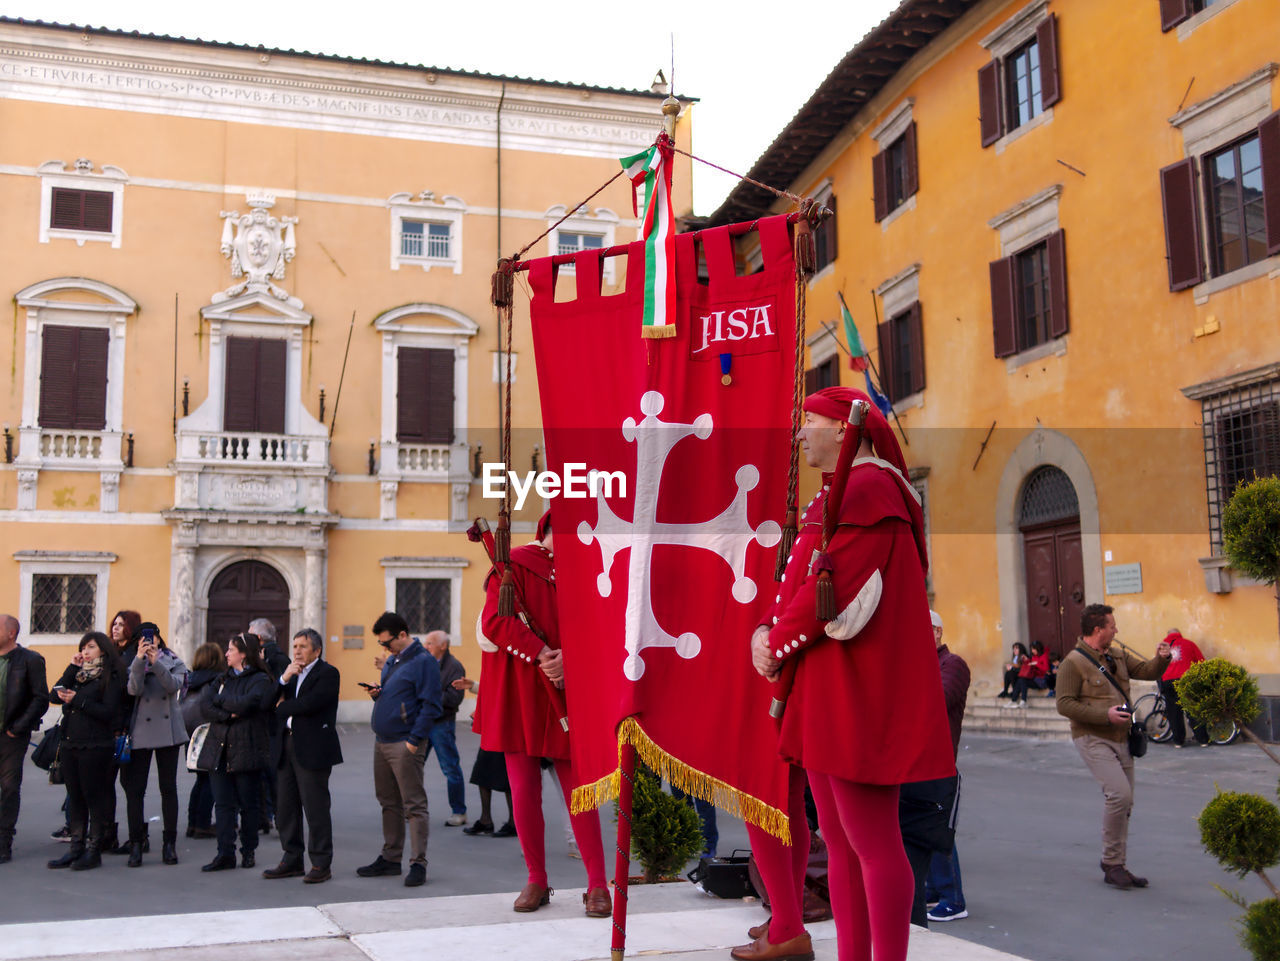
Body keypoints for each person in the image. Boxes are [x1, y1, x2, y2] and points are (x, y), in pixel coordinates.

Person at [744, 387, 955, 961]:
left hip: (857, 691)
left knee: (872, 843)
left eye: (808, 422)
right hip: (829, 686)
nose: (799, 434)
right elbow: (800, 582)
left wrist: (776, 644)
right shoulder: (834, 495)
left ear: (844, 429)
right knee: (839, 842)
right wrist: (765, 630)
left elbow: (833, 590)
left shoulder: (870, 487)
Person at [476, 511, 611, 917]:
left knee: (580, 793)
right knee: (522, 791)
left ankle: (597, 885)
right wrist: (540, 653)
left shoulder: (590, 571)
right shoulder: (512, 564)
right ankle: (536, 878)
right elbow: (495, 621)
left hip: (568, 692)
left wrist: (571, 658)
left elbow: (603, 625)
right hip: (519, 690)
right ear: (548, 533)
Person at [1056, 604, 1171, 889]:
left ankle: (1117, 863)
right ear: (1098, 630)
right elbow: (1064, 704)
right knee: (1119, 795)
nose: (1116, 630)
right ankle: (1111, 862)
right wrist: (1103, 715)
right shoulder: (1073, 662)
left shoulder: (1116, 654)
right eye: (1112, 626)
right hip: (1092, 737)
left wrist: (1161, 659)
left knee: (1126, 800)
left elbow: (1145, 670)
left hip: (1122, 738)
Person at [356, 611, 441, 888]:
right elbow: (402, 694)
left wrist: (414, 741)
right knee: (388, 802)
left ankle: (418, 864)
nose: (384, 648)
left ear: (403, 635)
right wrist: (380, 694)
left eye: (387, 642)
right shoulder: (393, 660)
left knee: (414, 805)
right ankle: (391, 858)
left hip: (405, 742)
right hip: (382, 740)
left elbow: (431, 705)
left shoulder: (423, 662)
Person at [264, 628, 342, 884]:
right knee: (285, 807)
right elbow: (267, 704)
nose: (296, 651)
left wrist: (282, 708)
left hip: (313, 747)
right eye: (294, 646)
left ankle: (321, 863)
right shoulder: (290, 674)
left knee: (315, 807)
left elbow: (310, 704)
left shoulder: (328, 674)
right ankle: (292, 858)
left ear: (317, 651)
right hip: (286, 745)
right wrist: (283, 680)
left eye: (303, 647)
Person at [196, 632, 277, 872]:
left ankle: (248, 851)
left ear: (243, 653)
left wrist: (223, 702)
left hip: (247, 747)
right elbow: (205, 705)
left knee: (248, 805)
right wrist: (227, 713)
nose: (226, 653)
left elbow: (249, 703)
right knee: (222, 804)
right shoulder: (222, 678)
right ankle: (225, 853)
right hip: (219, 748)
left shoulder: (261, 679)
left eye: (231, 649)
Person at [47, 631, 125, 871]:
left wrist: (78, 700)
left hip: (95, 744)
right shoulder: (79, 675)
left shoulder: (111, 675)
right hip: (71, 742)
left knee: (94, 796)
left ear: (102, 649)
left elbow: (108, 711)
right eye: (83, 647)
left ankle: (94, 849)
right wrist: (71, 669)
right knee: (75, 796)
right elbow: (54, 695)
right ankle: (75, 848)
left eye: (90, 647)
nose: (85, 651)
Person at [121, 622, 188, 866]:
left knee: (168, 788)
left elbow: (172, 686)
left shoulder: (174, 660)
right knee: (135, 790)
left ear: (160, 639)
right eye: (144, 639)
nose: (150, 642)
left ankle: (169, 844)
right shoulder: (134, 662)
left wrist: (155, 662)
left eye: (153, 637)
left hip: (168, 731)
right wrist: (140, 660)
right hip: (141, 730)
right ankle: (136, 843)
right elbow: (133, 689)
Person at [924, 610, 971, 924]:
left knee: (939, 832)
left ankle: (953, 898)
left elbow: (938, 700)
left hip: (940, 763)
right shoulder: (920, 665)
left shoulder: (952, 665)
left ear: (937, 632)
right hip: (918, 762)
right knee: (920, 830)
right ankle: (933, 888)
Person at [0, 613, 48, 864]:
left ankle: (3, 840)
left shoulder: (30, 660)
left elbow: (40, 698)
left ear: (10, 633)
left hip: (11, 735)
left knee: (8, 788)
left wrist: (17, 728)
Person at [451, 676, 517, 838]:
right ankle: (486, 820)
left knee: (507, 778)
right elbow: (493, 688)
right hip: (492, 725)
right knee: (482, 773)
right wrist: (473, 686)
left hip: (507, 726)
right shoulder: (495, 663)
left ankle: (514, 822)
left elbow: (505, 691)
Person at [103, 609, 141, 856]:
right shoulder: (110, 653)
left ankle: (137, 836)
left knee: (130, 784)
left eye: (121, 624)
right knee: (105, 783)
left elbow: (130, 692)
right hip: (107, 725)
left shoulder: (132, 656)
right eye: (114, 624)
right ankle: (107, 834)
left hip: (127, 727)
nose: (115, 628)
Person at [423, 630, 468, 826]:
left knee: (450, 768)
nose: (426, 647)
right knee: (413, 768)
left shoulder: (454, 667)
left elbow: (453, 698)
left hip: (442, 723)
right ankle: (413, 810)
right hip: (423, 723)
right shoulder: (424, 663)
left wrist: (428, 698)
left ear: (443, 646)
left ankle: (459, 811)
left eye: (430, 643)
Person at [182, 642, 225, 839]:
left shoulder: (190, 679)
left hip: (191, 733)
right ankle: (202, 824)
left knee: (201, 779)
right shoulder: (216, 680)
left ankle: (193, 823)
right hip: (209, 731)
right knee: (210, 780)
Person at [249, 617, 287, 835]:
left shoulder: (272, 659)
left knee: (271, 773)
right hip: (271, 722)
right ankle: (268, 817)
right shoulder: (277, 656)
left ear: (259, 638)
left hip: (270, 723)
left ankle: (277, 818)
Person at [1159, 629, 1208, 748]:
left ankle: (1178, 741)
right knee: (1193, 709)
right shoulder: (1189, 644)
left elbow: (1158, 664)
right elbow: (1201, 662)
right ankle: (1203, 740)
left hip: (1168, 682)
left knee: (1174, 712)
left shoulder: (1162, 646)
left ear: (1168, 635)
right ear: (1179, 633)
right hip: (1186, 680)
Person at [1008, 641, 1050, 707]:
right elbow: (1030, 666)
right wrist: (1027, 660)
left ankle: (1018, 701)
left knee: (1021, 680)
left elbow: (1046, 669)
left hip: (1041, 681)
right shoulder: (1033, 657)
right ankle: (1016, 701)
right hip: (1034, 679)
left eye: (1033, 649)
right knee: (1021, 679)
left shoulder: (1044, 656)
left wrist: (1036, 663)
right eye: (1031, 649)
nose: (1032, 651)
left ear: (1038, 649)